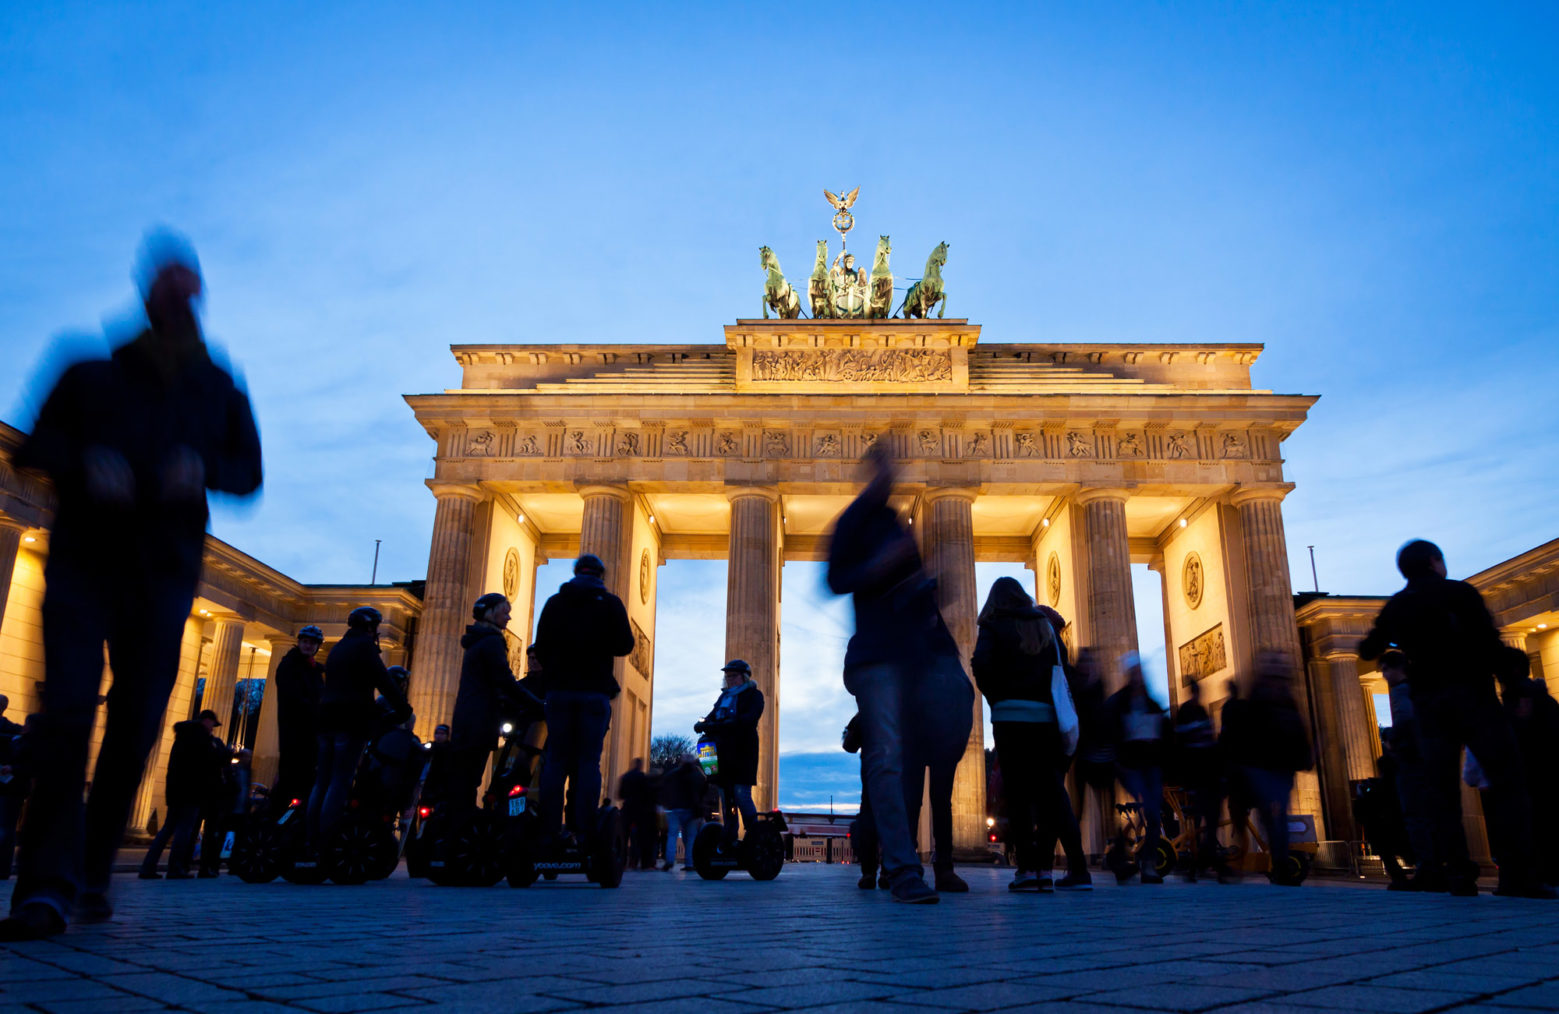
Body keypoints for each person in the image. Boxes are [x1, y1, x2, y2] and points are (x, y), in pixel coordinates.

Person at [1, 237, 263, 940]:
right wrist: (88, 460)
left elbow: (247, 473)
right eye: (166, 291)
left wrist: (198, 466)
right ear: (146, 295)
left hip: (165, 570)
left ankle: (89, 870)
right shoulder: (90, 374)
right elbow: (33, 448)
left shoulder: (218, 389)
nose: (176, 303)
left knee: (139, 723)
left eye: (187, 292)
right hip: (87, 560)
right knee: (65, 715)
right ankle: (46, 887)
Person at [1359, 539, 1554, 898]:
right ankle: (1519, 876)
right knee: (1508, 787)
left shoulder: (1399, 606)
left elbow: (1368, 648)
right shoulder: (1459, 594)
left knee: (1441, 793)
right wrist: (1514, 691)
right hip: (1474, 697)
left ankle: (1458, 875)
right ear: (1436, 562)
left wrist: (1399, 641)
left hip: (1431, 706)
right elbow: (1490, 641)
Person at [825, 443, 945, 904]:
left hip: (908, 656)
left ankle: (905, 860)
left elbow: (916, 590)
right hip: (874, 657)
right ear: (870, 471)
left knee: (904, 759)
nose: (892, 474)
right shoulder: (853, 520)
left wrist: (927, 587)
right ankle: (901, 868)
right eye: (885, 466)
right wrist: (881, 565)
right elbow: (836, 579)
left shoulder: (897, 524)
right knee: (888, 757)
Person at [972, 576, 1071, 893]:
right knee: (1047, 794)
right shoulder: (1042, 624)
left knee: (1017, 795)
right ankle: (1045, 868)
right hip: (1044, 719)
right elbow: (1062, 663)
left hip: (1009, 718)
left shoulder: (993, 624)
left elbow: (980, 664)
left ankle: (1026, 868)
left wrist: (996, 697)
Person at [533, 554, 634, 841]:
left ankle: (548, 829)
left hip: (560, 692)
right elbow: (625, 645)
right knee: (588, 762)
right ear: (601, 575)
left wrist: (557, 668)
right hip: (594, 691)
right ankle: (584, 829)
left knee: (556, 760)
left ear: (575, 572)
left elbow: (541, 648)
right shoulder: (610, 603)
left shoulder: (555, 603)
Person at [306, 607, 410, 850]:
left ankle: (311, 836)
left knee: (322, 781)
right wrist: (403, 709)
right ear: (371, 627)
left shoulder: (339, 648)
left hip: (327, 721)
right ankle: (327, 838)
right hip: (350, 722)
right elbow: (383, 680)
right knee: (341, 781)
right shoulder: (364, 647)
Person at [449, 593, 541, 814]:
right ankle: (468, 832)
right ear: (490, 613)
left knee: (466, 782)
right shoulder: (491, 642)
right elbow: (504, 681)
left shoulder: (477, 643)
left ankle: (459, 832)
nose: (509, 618)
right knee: (476, 782)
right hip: (488, 727)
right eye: (505, 612)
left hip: (470, 721)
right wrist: (539, 705)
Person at [1235, 653, 1313, 885]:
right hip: (1266, 766)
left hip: (1276, 766)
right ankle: (1280, 864)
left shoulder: (1270, 698)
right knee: (1276, 815)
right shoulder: (1265, 698)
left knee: (1275, 815)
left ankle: (1280, 864)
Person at [139, 710, 228, 880]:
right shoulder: (200, 740)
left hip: (175, 790)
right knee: (184, 830)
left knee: (167, 829)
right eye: (212, 725)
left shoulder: (181, 738)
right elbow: (210, 763)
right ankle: (175, 868)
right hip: (191, 792)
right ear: (206, 721)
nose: (213, 729)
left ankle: (148, 867)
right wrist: (221, 753)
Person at [1106, 652, 1169, 884]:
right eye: (1134, 673)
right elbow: (1110, 730)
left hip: (1150, 766)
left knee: (1153, 814)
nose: (1138, 677)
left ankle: (1148, 863)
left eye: (1140, 673)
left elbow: (1166, 735)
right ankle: (1129, 856)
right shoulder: (1118, 703)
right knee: (1147, 809)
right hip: (1129, 766)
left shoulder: (1152, 703)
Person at [695, 660, 765, 847]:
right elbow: (712, 716)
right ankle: (729, 833)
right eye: (727, 677)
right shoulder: (723, 698)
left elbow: (751, 717)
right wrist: (703, 723)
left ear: (744, 677)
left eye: (733, 676)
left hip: (742, 752)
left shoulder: (754, 695)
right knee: (725, 795)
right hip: (723, 752)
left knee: (741, 794)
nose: (729, 680)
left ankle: (754, 832)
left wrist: (733, 722)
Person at [1069, 647, 1117, 871]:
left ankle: (1117, 856)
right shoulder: (1080, 690)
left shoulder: (1098, 688)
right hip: (1085, 756)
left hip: (1103, 757)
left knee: (1110, 813)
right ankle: (1076, 859)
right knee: (1078, 810)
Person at [1173, 679, 1222, 881]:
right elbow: (1183, 747)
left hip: (1206, 774)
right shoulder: (1189, 713)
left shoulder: (1198, 712)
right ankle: (1199, 863)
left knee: (1208, 821)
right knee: (1201, 822)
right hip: (1196, 776)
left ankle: (1200, 862)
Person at [271, 625, 325, 810]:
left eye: (312, 643)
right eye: (305, 642)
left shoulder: (313, 669)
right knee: (291, 779)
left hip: (309, 731)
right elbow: (294, 698)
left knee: (305, 779)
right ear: (299, 643)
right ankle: (274, 820)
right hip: (296, 730)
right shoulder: (290, 665)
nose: (308, 646)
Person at [660, 752, 706, 871]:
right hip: (691, 809)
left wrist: (666, 802)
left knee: (672, 835)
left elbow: (664, 787)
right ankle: (690, 863)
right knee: (690, 837)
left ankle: (669, 860)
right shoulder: (697, 776)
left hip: (675, 808)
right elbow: (704, 789)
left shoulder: (673, 774)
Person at [616, 757, 658, 869]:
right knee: (640, 838)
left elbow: (620, 794)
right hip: (640, 811)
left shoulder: (625, 777)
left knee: (624, 838)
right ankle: (641, 862)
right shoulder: (642, 778)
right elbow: (647, 794)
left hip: (627, 809)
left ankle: (623, 861)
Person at [0, 698, 25, 880]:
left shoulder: (16, 732)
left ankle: (2, 868)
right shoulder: (16, 731)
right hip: (10, 787)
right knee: (6, 828)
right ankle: (3, 869)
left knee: (5, 829)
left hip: (8, 787)